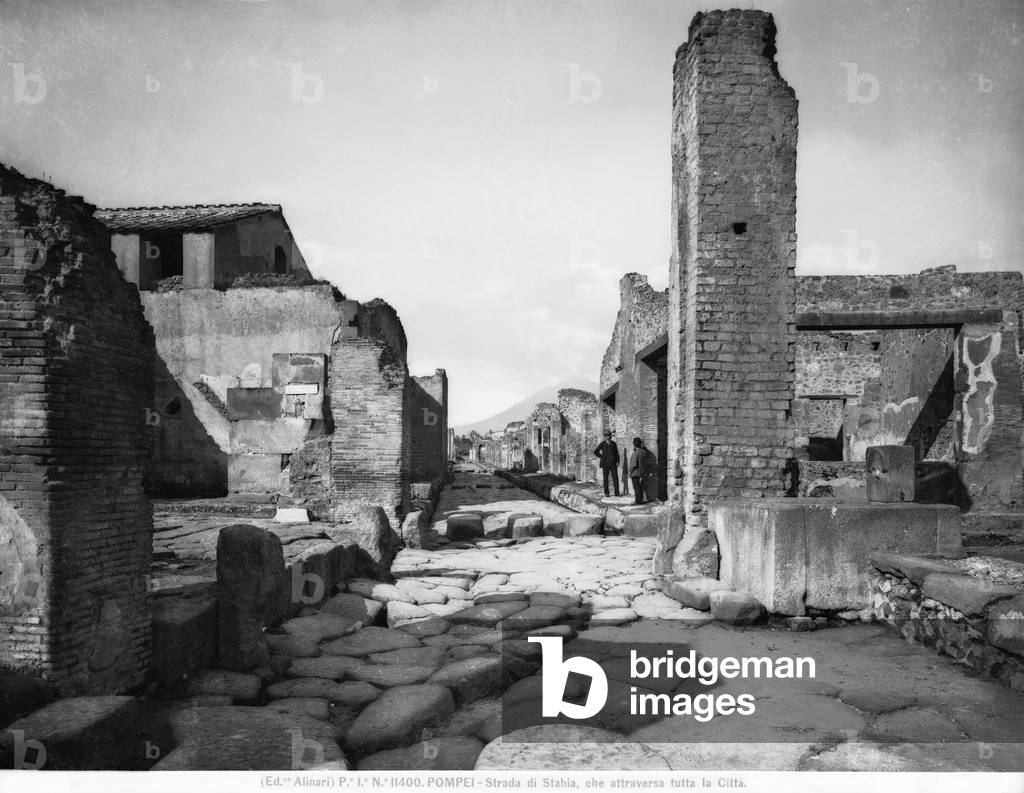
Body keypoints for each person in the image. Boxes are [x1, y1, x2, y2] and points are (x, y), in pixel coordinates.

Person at [593, 430, 620, 497]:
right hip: (605, 464)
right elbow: (596, 451)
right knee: (605, 479)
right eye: (607, 436)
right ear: (605, 437)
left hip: (613, 463)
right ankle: (606, 493)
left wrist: (618, 461)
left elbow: (617, 453)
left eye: (609, 435)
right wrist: (601, 456)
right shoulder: (602, 443)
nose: (609, 437)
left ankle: (617, 492)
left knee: (615, 478)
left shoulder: (613, 444)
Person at [628, 437, 654, 505]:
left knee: (636, 488)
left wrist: (630, 471)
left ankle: (638, 501)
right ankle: (640, 500)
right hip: (643, 472)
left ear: (634, 445)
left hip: (636, 473)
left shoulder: (635, 453)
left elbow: (633, 464)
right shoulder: (645, 452)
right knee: (641, 487)